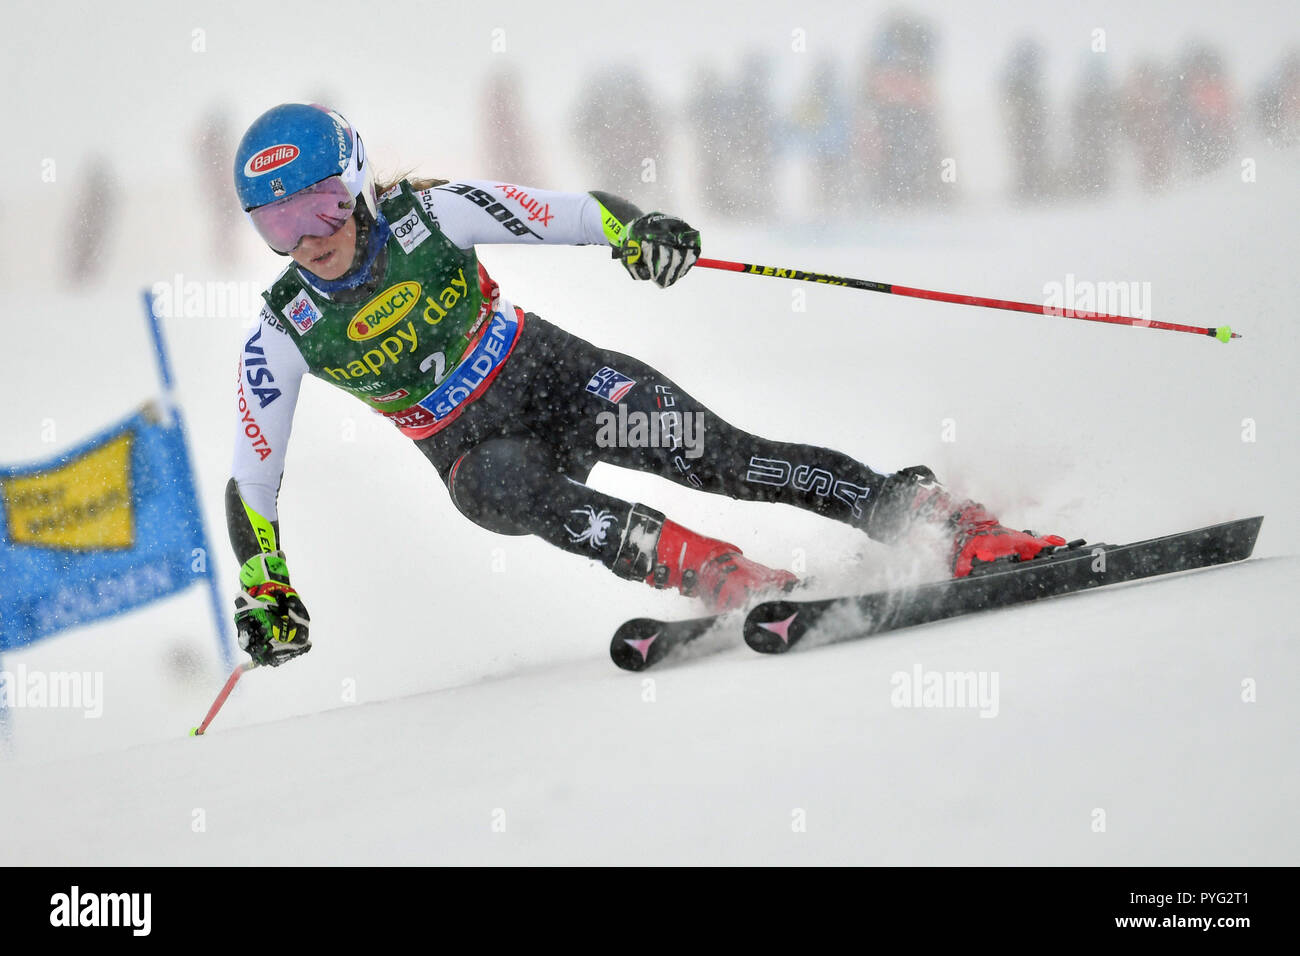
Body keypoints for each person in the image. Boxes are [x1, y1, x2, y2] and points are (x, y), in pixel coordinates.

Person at [227, 103, 1065, 667]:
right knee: (498, 484)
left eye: (323, 206)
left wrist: (640, 233)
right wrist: (266, 584)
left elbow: (576, 214)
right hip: (479, 453)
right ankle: (717, 574)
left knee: (731, 458)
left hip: (556, 380)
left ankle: (934, 518)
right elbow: (253, 478)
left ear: (356, 179)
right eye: (278, 223)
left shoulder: (430, 215)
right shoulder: (284, 326)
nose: (307, 238)